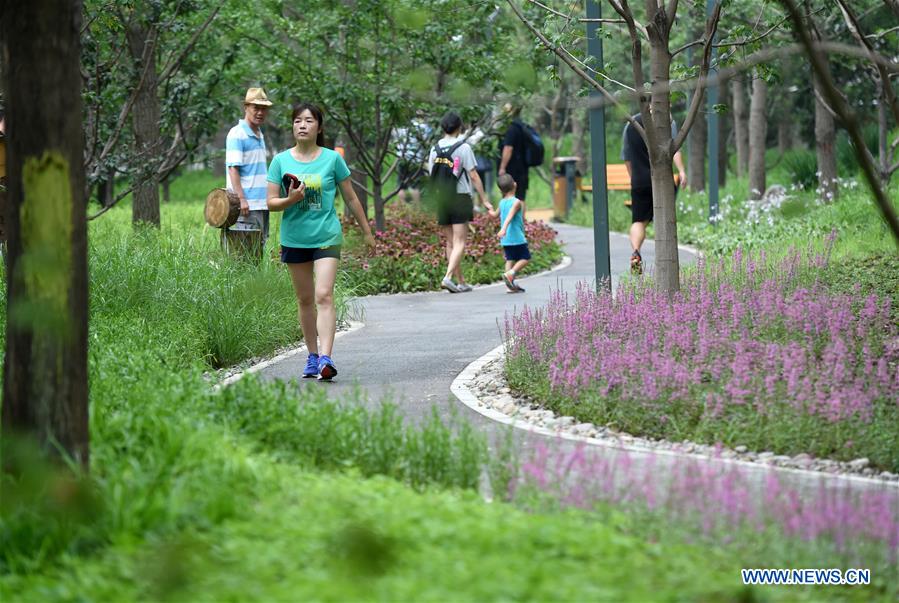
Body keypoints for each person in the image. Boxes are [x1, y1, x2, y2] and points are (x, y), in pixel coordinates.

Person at [266, 102, 375, 381]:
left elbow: (350, 197)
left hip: (326, 236)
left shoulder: (331, 159)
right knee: (304, 300)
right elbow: (270, 203)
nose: (302, 125)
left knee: (323, 294)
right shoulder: (280, 161)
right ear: (292, 127)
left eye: (309, 121)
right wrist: (290, 200)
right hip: (294, 238)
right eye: (297, 121)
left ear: (319, 127)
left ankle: (327, 358)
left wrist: (366, 231)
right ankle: (312, 356)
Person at [427, 111, 493, 293]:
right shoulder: (463, 148)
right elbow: (473, 175)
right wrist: (484, 199)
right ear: (459, 127)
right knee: (460, 241)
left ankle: (460, 282)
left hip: (443, 198)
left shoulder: (434, 149)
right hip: (460, 197)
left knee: (450, 243)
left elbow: (431, 174)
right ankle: (448, 277)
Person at [621, 110, 687, 274]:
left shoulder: (631, 124)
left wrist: (634, 179)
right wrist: (682, 171)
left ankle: (636, 251)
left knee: (639, 221)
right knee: (665, 219)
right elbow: (675, 150)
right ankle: (666, 262)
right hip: (662, 180)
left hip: (639, 181)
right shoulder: (667, 121)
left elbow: (627, 157)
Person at [225, 88, 273, 251]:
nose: (260, 112)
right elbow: (233, 169)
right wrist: (241, 199)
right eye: (256, 108)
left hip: (261, 203)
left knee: (260, 247)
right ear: (246, 107)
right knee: (244, 250)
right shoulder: (237, 134)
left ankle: (257, 278)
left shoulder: (259, 133)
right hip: (246, 205)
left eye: (263, 109)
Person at [490, 174, 529, 293]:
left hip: (506, 239)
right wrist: (504, 229)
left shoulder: (502, 202)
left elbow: (494, 215)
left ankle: (510, 285)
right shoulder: (517, 202)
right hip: (516, 236)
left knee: (510, 259)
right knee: (525, 258)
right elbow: (510, 217)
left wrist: (489, 208)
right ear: (515, 185)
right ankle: (511, 274)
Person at [497, 104, 531, 206]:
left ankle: (513, 221)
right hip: (522, 167)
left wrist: (502, 167)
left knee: (510, 196)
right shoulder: (521, 125)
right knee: (521, 196)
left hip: (512, 169)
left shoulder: (511, 128)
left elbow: (508, 148)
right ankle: (521, 221)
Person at [394, 115, 430, 204]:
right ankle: (416, 208)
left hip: (402, 158)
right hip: (415, 159)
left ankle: (403, 207)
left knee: (400, 186)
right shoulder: (421, 127)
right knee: (415, 186)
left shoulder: (400, 127)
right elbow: (425, 142)